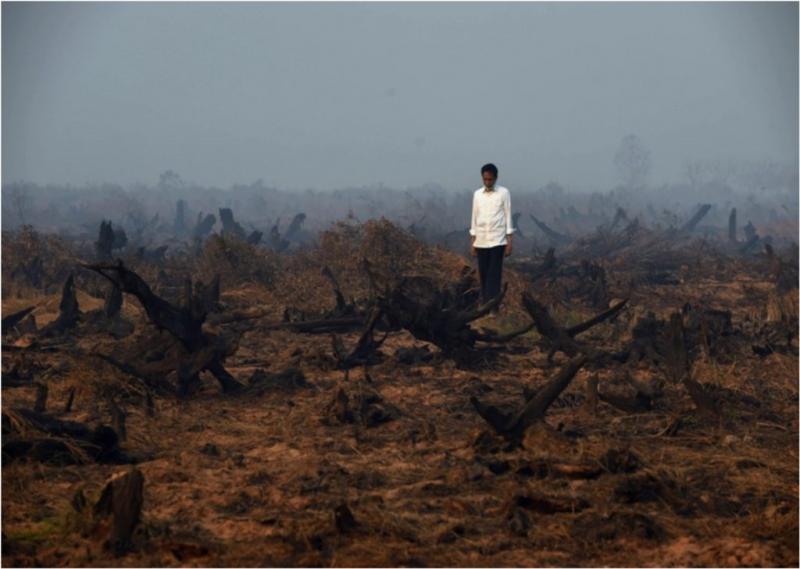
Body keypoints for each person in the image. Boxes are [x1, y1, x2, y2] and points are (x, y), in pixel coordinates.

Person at [469, 163, 514, 315]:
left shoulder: (503, 193)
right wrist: (473, 241)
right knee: (483, 273)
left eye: (490, 179)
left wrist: (509, 241)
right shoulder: (477, 194)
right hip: (481, 239)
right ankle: (485, 306)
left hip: (498, 240)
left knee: (494, 275)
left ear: (495, 178)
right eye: (485, 179)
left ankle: (493, 308)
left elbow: (508, 215)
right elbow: (474, 217)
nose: (487, 182)